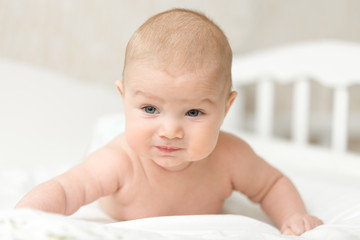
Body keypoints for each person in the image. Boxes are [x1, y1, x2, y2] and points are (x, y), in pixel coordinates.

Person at [15, 8, 323, 235]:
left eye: (193, 113)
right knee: (102, 147)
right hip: (117, 145)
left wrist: (292, 216)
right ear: (124, 97)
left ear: (225, 108)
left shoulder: (231, 158)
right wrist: (22, 219)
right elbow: (66, 191)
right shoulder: (118, 162)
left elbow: (271, 184)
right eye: (150, 108)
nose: (170, 131)